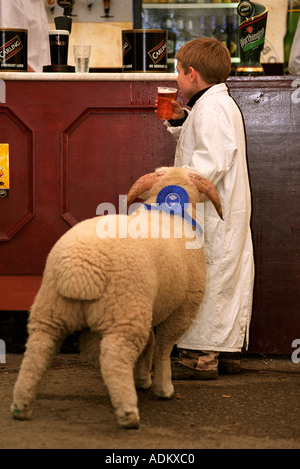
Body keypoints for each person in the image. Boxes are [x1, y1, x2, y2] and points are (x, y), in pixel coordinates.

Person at [157, 37, 254, 379]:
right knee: (224, 275)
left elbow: (211, 161)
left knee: (209, 276)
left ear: (192, 73)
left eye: (178, 72)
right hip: (224, 211)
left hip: (212, 211)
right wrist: (182, 118)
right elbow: (208, 141)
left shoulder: (212, 108)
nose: (176, 79)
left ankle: (201, 357)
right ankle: (223, 351)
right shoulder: (213, 104)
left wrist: (170, 185)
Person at [0, 0, 50, 72]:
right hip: (25, 80)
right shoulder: (9, 2)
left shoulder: (39, 2)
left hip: (42, 77)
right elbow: (10, 57)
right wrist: (36, 80)